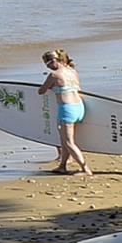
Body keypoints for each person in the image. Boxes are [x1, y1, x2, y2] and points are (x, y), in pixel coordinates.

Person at [41, 48, 90, 176]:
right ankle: (62, 166)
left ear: (55, 60)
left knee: (69, 142)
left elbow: (41, 91)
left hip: (67, 109)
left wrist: (51, 86)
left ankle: (86, 169)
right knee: (64, 141)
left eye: (49, 64)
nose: (49, 67)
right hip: (79, 107)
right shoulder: (73, 72)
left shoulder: (54, 75)